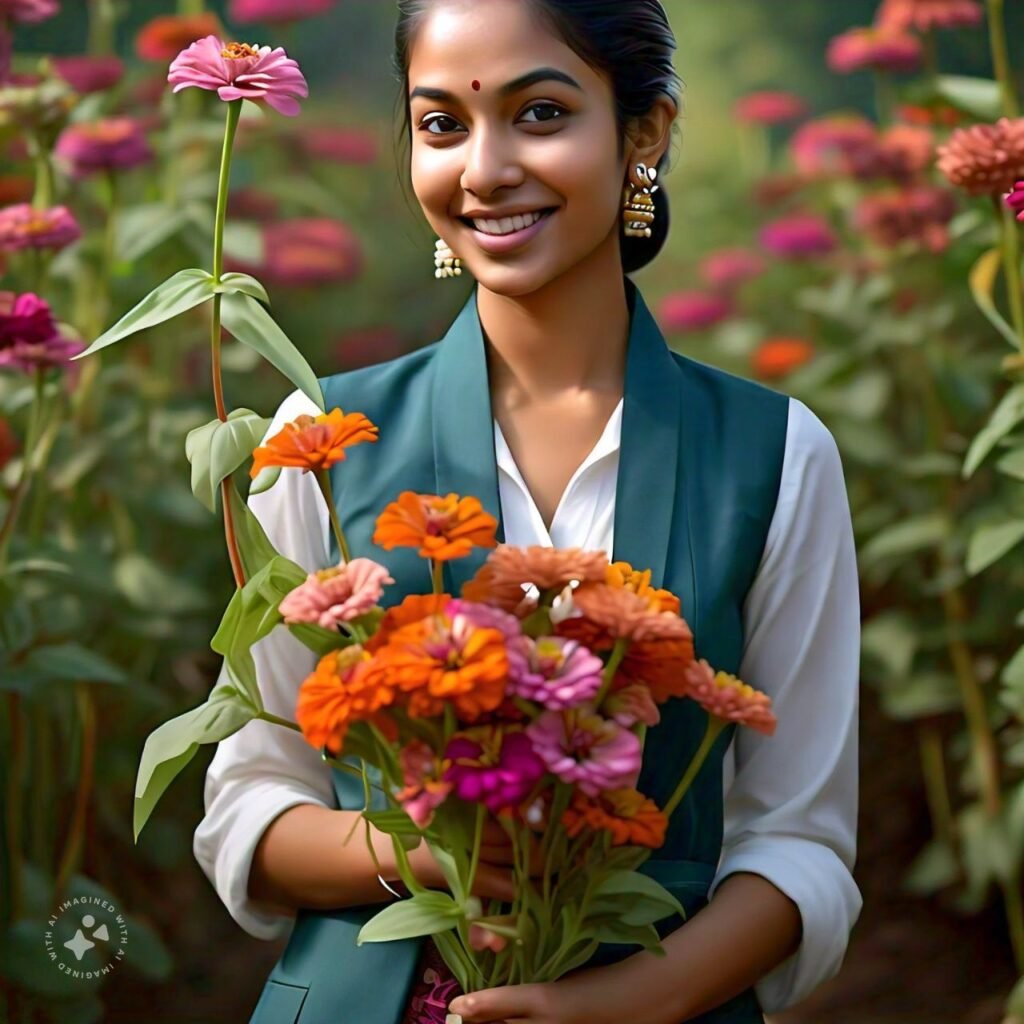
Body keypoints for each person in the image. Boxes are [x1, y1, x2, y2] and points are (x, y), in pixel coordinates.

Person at [192, 2, 862, 1022]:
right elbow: (250, 800)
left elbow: (801, 841)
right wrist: (428, 850)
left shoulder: (772, 453)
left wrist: (633, 999)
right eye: (441, 125)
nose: (484, 169)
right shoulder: (318, 437)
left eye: (539, 114)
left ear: (645, 133)